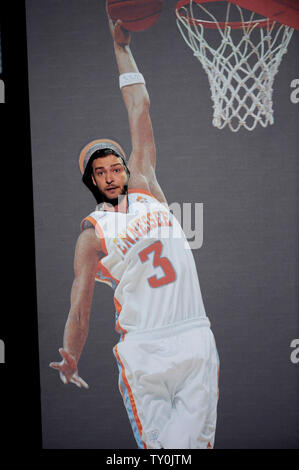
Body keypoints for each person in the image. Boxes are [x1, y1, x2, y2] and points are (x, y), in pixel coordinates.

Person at [50, 13, 219, 450]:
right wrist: (71, 355)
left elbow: (139, 106)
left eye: (114, 166)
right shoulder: (92, 235)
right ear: (91, 182)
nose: (109, 175)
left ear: (127, 168)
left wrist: (121, 48)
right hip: (144, 350)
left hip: (195, 336)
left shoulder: (145, 185)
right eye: (99, 172)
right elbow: (80, 309)